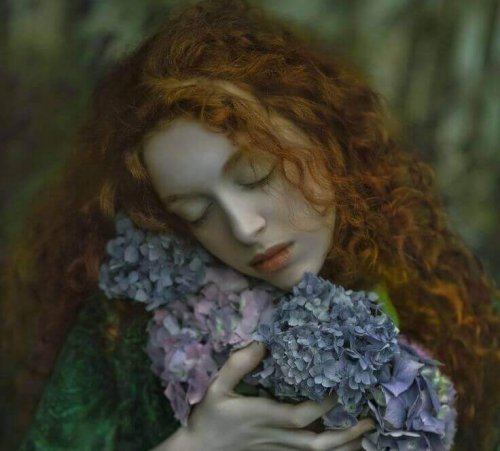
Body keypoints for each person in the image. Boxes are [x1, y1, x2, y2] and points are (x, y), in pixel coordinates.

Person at [2, 0, 498, 450]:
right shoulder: (126, 327)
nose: (244, 228)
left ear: (325, 137)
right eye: (196, 212)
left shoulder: (436, 294)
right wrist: (195, 446)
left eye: (258, 175)